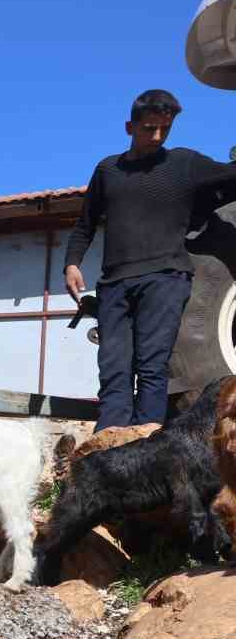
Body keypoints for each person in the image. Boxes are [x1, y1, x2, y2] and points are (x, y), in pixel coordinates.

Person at [64, 89, 236, 430]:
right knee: (113, 367)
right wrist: (71, 263)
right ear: (130, 127)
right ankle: (112, 440)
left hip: (166, 279)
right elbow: (86, 223)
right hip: (114, 283)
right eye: (149, 128)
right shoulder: (107, 170)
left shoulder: (185, 164)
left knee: (153, 367)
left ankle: (147, 443)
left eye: (164, 129)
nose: (157, 136)